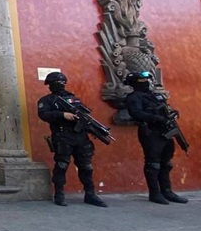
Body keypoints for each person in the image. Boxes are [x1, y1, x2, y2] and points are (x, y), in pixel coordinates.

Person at [36, 72, 108, 207]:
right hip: (63, 136)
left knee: (86, 166)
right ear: (50, 85)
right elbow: (44, 114)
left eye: (62, 82)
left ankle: (90, 194)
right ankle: (59, 193)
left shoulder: (73, 99)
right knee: (62, 165)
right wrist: (62, 115)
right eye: (57, 82)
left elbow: (85, 115)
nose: (60, 84)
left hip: (80, 137)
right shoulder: (46, 100)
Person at [124, 71, 188, 205]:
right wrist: (156, 118)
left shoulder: (155, 96)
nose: (147, 83)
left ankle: (167, 191)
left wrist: (173, 113)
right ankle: (154, 193)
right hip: (150, 132)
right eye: (143, 81)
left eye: (147, 80)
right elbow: (136, 113)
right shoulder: (134, 97)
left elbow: (166, 108)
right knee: (153, 163)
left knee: (166, 162)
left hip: (165, 131)